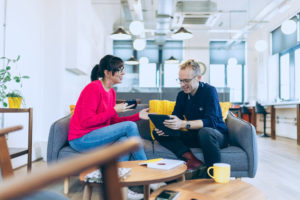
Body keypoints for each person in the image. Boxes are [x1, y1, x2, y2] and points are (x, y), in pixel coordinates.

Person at [68, 55, 149, 161]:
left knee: (124, 141)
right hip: (81, 139)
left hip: (96, 135)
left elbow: (114, 122)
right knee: (130, 126)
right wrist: (114, 110)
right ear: (107, 73)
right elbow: (86, 122)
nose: (123, 73)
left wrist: (138, 115)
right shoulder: (93, 88)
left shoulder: (111, 92)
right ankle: (144, 164)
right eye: (119, 70)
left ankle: (120, 174)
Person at [153, 59, 228, 173]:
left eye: (186, 81)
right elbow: (175, 116)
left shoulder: (209, 91)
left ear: (198, 77)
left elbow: (210, 122)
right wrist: (166, 127)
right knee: (156, 132)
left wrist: (182, 124)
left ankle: (213, 174)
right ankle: (192, 159)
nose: (183, 85)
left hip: (215, 135)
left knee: (205, 132)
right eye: (180, 80)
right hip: (195, 136)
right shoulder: (182, 96)